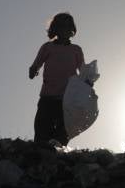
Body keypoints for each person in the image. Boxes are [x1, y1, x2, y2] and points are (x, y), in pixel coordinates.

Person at [29, 12, 84, 146]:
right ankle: (40, 157)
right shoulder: (47, 47)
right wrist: (33, 70)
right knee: (42, 129)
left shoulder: (76, 50)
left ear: (72, 30)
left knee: (62, 133)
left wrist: (88, 81)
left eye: (67, 27)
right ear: (55, 30)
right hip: (47, 97)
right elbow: (36, 63)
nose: (64, 30)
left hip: (67, 99)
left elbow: (83, 72)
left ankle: (57, 158)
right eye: (60, 27)